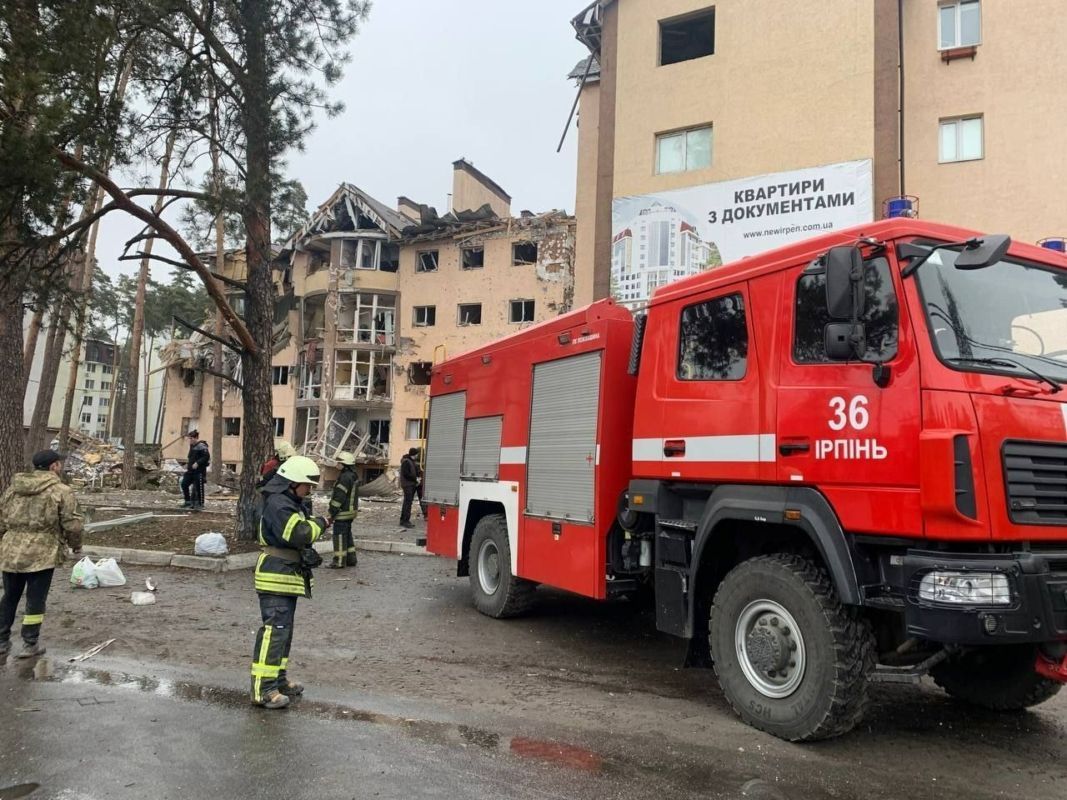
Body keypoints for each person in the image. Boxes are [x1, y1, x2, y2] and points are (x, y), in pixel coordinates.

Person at [251, 455, 330, 709]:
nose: (309, 491)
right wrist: (320, 523)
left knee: (283, 633)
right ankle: (263, 689)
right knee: (274, 633)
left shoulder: (287, 502)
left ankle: (278, 681)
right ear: (293, 482)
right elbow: (299, 533)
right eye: (307, 485)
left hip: (285, 576)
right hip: (276, 576)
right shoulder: (279, 503)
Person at [0, 450, 84, 658]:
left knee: (9, 596)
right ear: (54, 466)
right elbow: (72, 524)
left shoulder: (14, 488)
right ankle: (30, 643)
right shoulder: (61, 491)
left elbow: (2, 518)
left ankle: (1, 641)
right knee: (36, 599)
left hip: (11, 551)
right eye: (59, 464)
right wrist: (76, 545)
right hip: (43, 552)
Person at [328, 453, 359, 569]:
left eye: (339, 462)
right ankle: (351, 559)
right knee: (347, 535)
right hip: (350, 512)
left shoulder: (345, 478)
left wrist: (332, 510)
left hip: (343, 513)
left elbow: (339, 497)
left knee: (339, 536)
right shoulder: (353, 475)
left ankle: (339, 561)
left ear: (344, 464)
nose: (337, 464)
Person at [180, 430, 210, 511]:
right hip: (190, 471)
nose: (190, 440)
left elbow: (206, 457)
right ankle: (188, 501)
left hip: (199, 471)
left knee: (199, 487)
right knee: (184, 484)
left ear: (196, 438)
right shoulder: (192, 446)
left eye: (192, 438)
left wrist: (197, 463)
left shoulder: (202, 446)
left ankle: (200, 504)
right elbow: (191, 457)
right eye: (189, 438)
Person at [399, 447, 424, 529]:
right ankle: (405, 521)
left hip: (410, 484)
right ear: (414, 454)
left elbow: (413, 472)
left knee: (407, 503)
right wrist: (415, 479)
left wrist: (417, 478)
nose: (417, 456)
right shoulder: (406, 462)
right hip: (407, 485)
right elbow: (406, 474)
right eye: (417, 454)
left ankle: (403, 520)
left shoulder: (411, 461)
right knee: (408, 503)